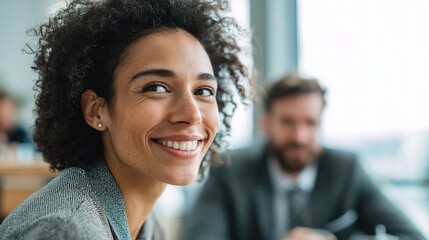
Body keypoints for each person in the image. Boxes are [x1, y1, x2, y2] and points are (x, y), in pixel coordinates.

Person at [0, 0, 251, 239]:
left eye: (204, 91)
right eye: (156, 87)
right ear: (96, 111)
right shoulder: (68, 230)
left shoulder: (143, 221)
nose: (192, 114)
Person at [183, 74, 425, 240]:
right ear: (266, 123)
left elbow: (412, 236)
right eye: (288, 122)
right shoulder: (229, 170)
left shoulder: (347, 169)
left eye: (310, 123)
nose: (299, 136)